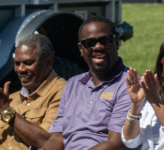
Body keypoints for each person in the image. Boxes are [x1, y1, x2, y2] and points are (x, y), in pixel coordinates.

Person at [40, 16, 131, 150]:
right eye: (90, 43)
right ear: (81, 49)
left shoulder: (130, 84)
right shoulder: (73, 84)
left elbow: (116, 143)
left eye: (105, 41)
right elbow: (58, 137)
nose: (98, 47)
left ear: (116, 42)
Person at [0, 34, 66, 149]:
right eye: (17, 63)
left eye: (28, 63)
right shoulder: (11, 98)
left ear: (48, 62)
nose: (20, 69)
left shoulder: (63, 92)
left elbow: (47, 142)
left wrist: (6, 111)